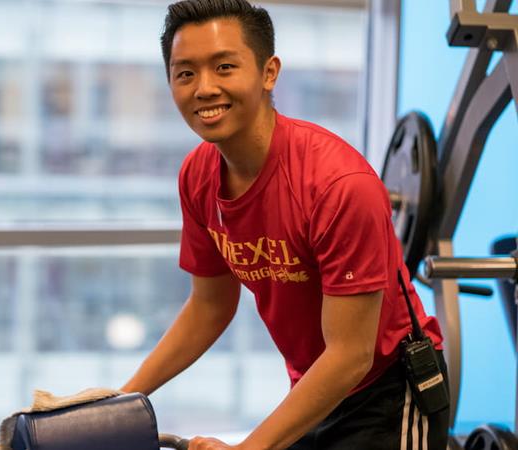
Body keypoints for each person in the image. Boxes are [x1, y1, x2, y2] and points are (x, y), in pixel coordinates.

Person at [119, 1, 449, 449]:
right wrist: (121, 401)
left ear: (268, 72)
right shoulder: (197, 176)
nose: (204, 88)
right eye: (185, 74)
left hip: (387, 390)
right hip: (314, 385)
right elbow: (209, 307)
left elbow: (352, 355)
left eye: (225, 67)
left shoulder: (337, 185)